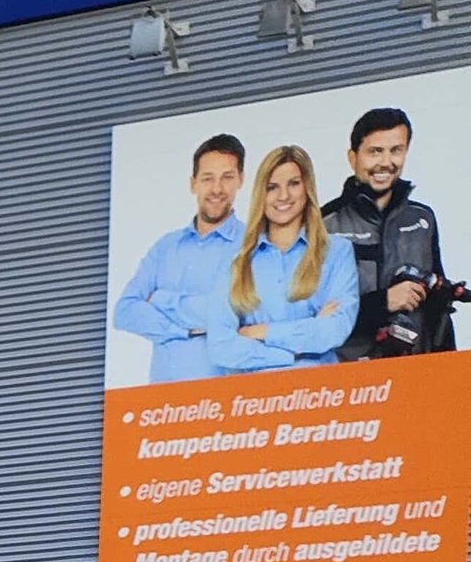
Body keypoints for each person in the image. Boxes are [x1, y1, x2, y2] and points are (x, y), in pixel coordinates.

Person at [198, 144, 358, 371]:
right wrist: (293, 350)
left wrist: (259, 332)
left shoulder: (337, 252)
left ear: (307, 188)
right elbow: (221, 347)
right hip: (257, 400)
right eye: (272, 187)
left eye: (293, 184)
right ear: (261, 195)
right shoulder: (236, 261)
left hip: (322, 395)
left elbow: (334, 331)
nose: (283, 196)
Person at [112, 132, 246, 380]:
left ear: (240, 179)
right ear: (192, 183)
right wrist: (181, 331)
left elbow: (240, 315)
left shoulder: (252, 244)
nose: (217, 189)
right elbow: (125, 311)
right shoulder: (165, 247)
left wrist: (162, 300)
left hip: (225, 402)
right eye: (207, 178)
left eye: (227, 177)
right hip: (163, 407)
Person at [324, 106, 452, 356]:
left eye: (396, 150)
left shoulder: (423, 218)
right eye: (375, 152)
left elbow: (438, 306)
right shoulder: (323, 223)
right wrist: (383, 303)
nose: (386, 162)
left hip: (415, 374)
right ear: (353, 157)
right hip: (351, 379)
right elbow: (312, 319)